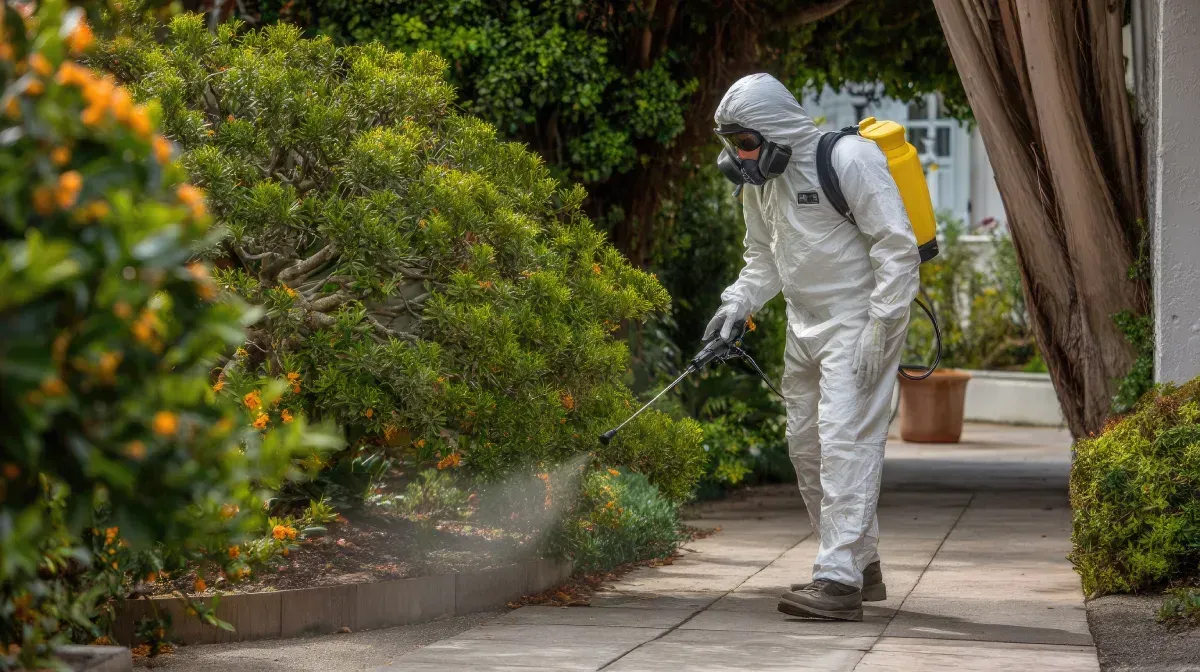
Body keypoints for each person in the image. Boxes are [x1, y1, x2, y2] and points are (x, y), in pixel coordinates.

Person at [704, 73, 920, 622]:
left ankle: (838, 580)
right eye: (732, 145)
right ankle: (859, 563)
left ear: (775, 130)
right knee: (805, 446)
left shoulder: (848, 157)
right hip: (804, 326)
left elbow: (897, 247)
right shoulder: (759, 184)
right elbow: (764, 259)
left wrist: (883, 324)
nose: (740, 156)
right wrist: (737, 306)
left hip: (858, 321)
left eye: (746, 142)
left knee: (845, 441)